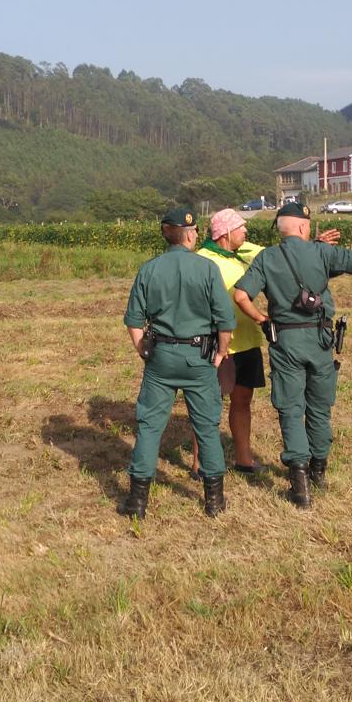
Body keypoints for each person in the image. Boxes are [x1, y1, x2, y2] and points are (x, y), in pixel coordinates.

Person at [233, 202, 352, 509]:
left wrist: (262, 320)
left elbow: (241, 295)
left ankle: (299, 483)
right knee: (320, 407)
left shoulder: (267, 257)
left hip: (284, 341)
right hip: (320, 340)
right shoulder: (322, 253)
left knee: (290, 409)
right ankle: (319, 470)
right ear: (302, 227)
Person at [191, 207, 340, 478]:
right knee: (208, 403)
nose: (246, 231)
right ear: (225, 233)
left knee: (243, 400)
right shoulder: (202, 260)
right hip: (218, 344)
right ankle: (200, 462)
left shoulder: (245, 252)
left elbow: (284, 257)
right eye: (241, 228)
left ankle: (244, 458)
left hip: (247, 341)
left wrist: (315, 246)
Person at [120, 207, 235, 519]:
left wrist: (142, 349)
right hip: (200, 357)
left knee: (149, 427)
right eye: (195, 230)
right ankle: (214, 501)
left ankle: (137, 503)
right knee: (207, 426)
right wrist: (220, 354)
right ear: (189, 233)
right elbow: (225, 322)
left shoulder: (149, 269)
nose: (196, 234)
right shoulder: (208, 269)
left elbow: (133, 320)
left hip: (161, 357)